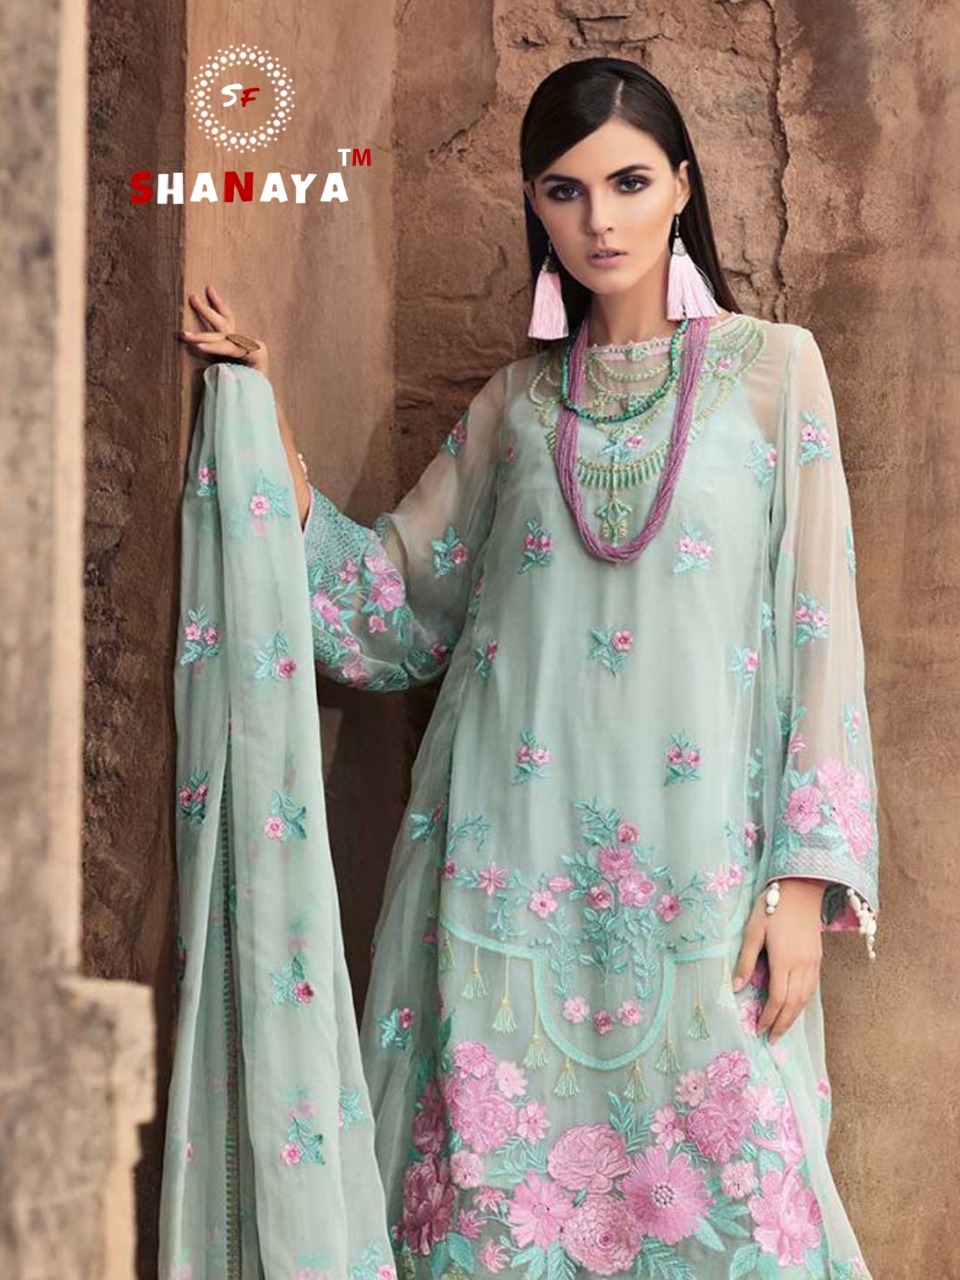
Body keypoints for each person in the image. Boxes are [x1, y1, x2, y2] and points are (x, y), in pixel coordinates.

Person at [179, 55, 879, 1280]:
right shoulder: (515, 407)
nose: (598, 219)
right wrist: (267, 441)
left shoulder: (777, 372)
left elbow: (822, 629)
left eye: (628, 182)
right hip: (502, 882)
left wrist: (806, 879)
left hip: (703, 885)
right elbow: (392, 609)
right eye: (564, 190)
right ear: (535, 208)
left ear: (682, 187)